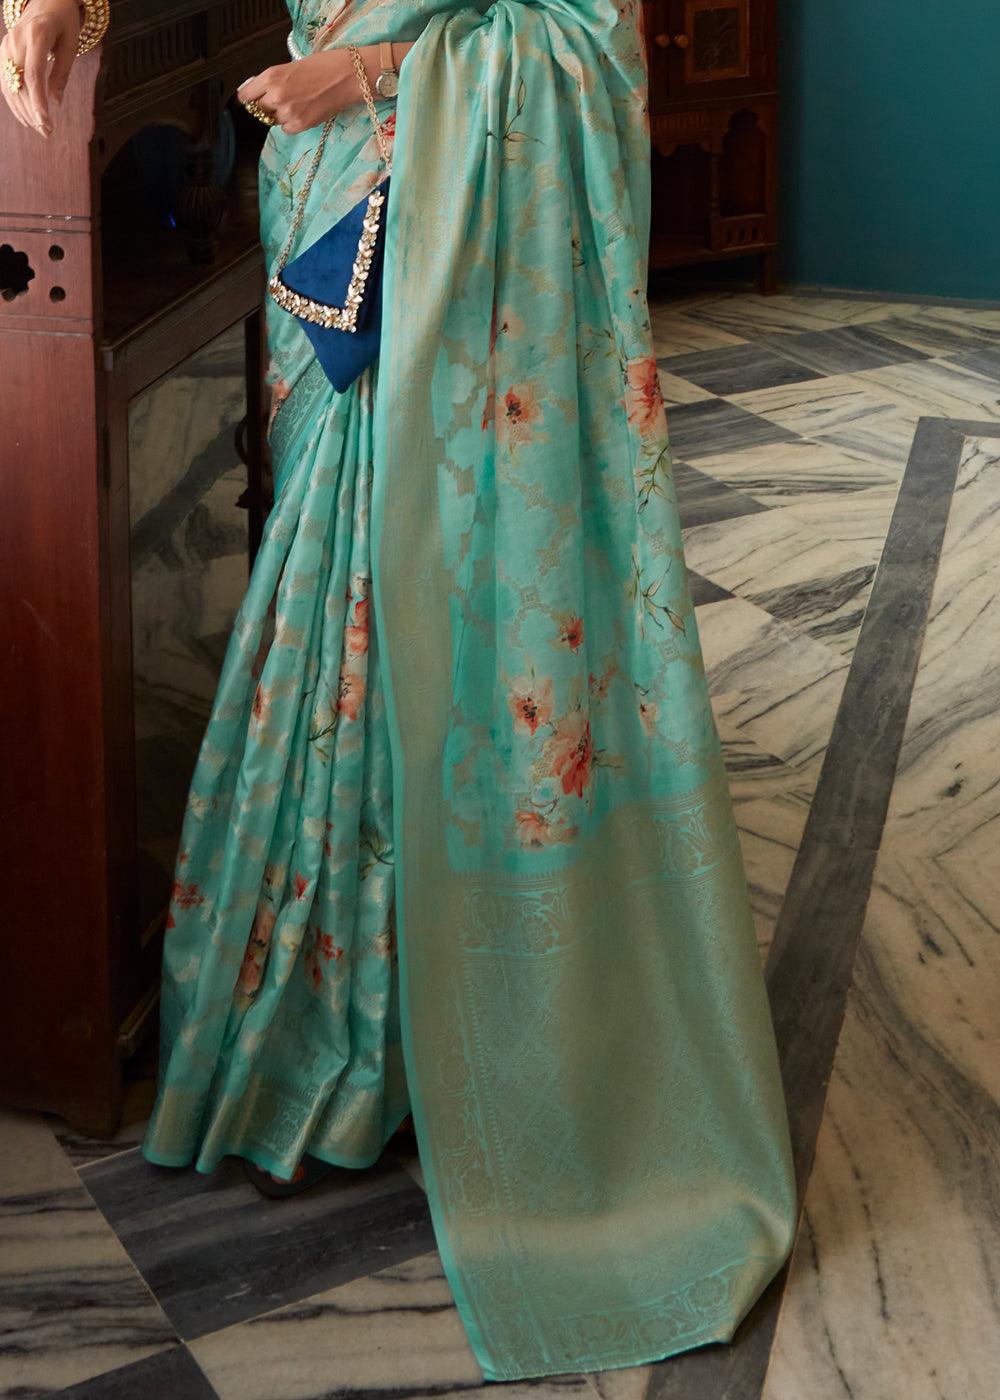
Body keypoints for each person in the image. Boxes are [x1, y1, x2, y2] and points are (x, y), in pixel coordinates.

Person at [3, 0, 799, 1382]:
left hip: (441, 231)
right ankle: (329, 1026)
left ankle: (452, 1035)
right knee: (334, 582)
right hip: (325, 212)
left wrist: (369, 74)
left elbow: (593, 39)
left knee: (430, 585)